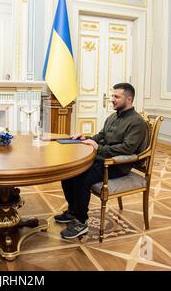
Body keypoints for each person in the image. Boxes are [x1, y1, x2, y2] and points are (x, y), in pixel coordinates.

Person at [55, 83, 148, 239]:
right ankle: (73, 211)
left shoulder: (137, 122)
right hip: (102, 158)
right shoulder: (113, 116)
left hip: (117, 165)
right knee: (69, 172)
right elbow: (101, 136)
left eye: (116, 97)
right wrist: (86, 138)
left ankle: (81, 221)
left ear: (129, 99)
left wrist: (98, 148)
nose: (112, 99)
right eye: (112, 96)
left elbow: (127, 149)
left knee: (81, 177)